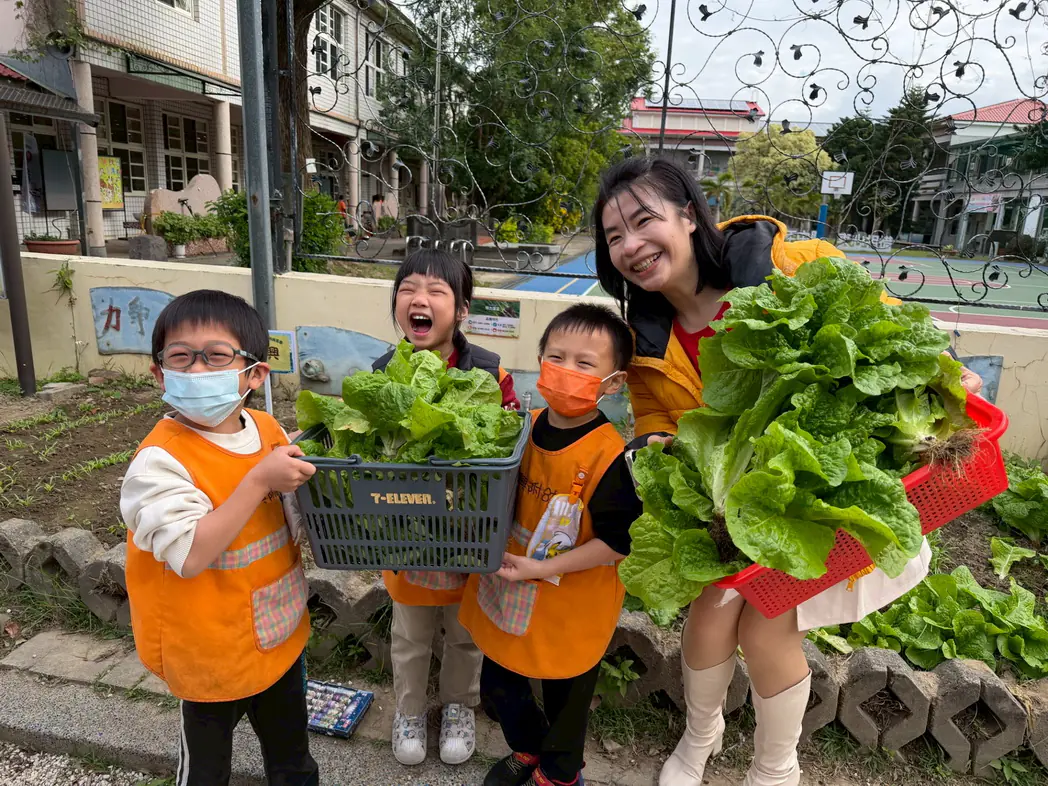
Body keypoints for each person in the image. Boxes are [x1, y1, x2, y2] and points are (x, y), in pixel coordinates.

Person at [592, 156, 982, 786]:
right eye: (614, 237)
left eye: (644, 221)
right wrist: (661, 451)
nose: (631, 246)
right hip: (744, 513)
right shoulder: (647, 346)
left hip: (833, 499)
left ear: (689, 217)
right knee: (713, 606)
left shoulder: (790, 266)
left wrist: (946, 367)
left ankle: (776, 769)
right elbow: (658, 427)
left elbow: (893, 326)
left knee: (765, 614)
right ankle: (702, 735)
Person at [120, 290, 319, 785]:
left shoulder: (267, 428)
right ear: (159, 374)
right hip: (207, 653)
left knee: (293, 759)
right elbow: (189, 555)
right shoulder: (159, 460)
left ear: (254, 374)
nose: (196, 370)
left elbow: (290, 515)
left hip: (278, 638)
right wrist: (258, 480)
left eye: (216, 356)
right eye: (181, 357)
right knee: (207, 771)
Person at [458, 303, 643, 786]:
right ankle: (527, 747)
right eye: (556, 357)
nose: (566, 372)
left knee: (567, 697)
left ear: (613, 382)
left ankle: (560, 772)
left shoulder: (610, 456)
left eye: (585, 364)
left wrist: (540, 570)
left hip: (571, 603)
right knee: (499, 684)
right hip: (507, 585)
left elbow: (617, 544)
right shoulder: (521, 425)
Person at [374, 247, 520, 767]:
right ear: (396, 304)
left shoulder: (488, 374)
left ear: (460, 310)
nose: (420, 299)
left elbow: (507, 442)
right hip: (406, 532)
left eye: (437, 291)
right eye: (408, 289)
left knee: (465, 634)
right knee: (409, 634)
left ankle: (459, 706)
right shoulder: (381, 373)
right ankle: (410, 711)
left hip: (468, 534)